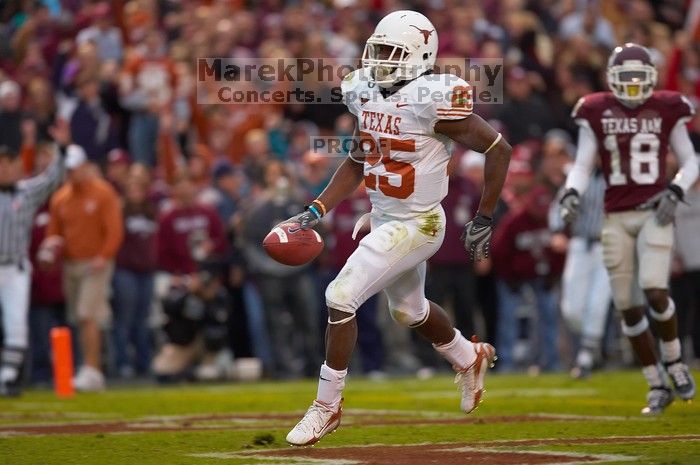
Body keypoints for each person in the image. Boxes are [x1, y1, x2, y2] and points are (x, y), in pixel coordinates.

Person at [285, 10, 511, 446]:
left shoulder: (433, 98)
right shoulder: (364, 91)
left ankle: (326, 406)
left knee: (340, 295)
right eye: (377, 50)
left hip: (420, 221)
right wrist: (314, 210)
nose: (381, 60)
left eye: (391, 52)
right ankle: (468, 357)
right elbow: (356, 159)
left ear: (422, 54)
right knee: (408, 311)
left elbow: (499, 149)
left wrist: (485, 216)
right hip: (386, 217)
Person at [560, 43, 699, 414]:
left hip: (655, 211)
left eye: (641, 77)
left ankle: (676, 363)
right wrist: (572, 190)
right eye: (628, 77)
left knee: (655, 289)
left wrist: (676, 189)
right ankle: (656, 384)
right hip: (616, 217)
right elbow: (583, 163)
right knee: (628, 308)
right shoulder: (595, 109)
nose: (635, 84)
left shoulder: (668, 107)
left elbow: (691, 161)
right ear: (612, 78)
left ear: (652, 77)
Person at [45, 143, 124, 392]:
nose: (70, 174)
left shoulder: (102, 193)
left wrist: (104, 256)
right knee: (78, 318)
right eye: (67, 170)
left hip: (96, 262)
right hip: (71, 264)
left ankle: (92, 369)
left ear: (84, 167)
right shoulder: (60, 198)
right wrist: (50, 251)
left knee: (87, 315)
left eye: (73, 169)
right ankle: (89, 369)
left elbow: (114, 230)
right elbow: (53, 233)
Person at [0, 123, 69, 396]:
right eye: (0, 164)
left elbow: (53, 179)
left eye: (8, 163)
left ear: (17, 166)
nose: (4, 169)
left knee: (17, 323)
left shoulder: (26, 191)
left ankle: (10, 377)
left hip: (15, 267)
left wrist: (61, 149)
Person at [552, 169, 611, 379]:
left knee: (597, 303)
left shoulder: (616, 175)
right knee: (572, 310)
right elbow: (558, 206)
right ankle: (592, 343)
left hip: (608, 244)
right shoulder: (577, 175)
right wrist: (557, 230)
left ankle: (586, 356)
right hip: (579, 244)